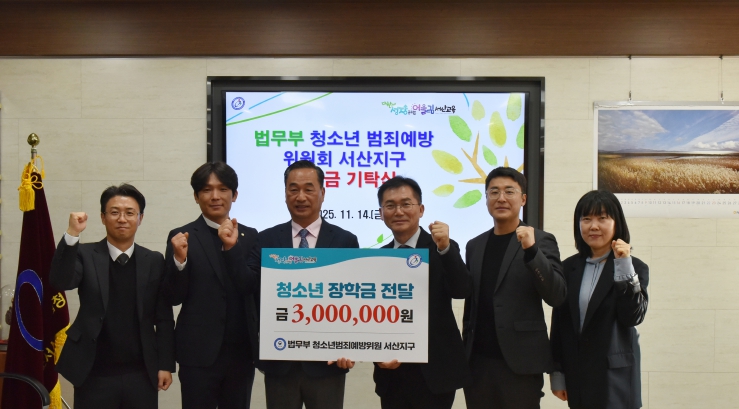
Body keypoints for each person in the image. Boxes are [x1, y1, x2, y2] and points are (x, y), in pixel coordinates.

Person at [49, 184, 174, 409]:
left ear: (140, 218)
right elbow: (60, 281)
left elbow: (163, 317)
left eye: (130, 213)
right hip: (93, 371)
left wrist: (165, 364)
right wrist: (72, 234)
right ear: (103, 217)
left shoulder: (154, 260)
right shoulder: (85, 254)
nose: (122, 219)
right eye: (114, 212)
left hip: (141, 372)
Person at [257, 160, 358, 409]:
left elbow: (353, 299)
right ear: (285, 194)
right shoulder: (266, 240)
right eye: (293, 189)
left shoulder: (345, 241)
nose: (300, 197)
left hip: (328, 364)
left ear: (322, 192)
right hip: (279, 362)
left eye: (309, 189)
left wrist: (351, 346)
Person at [462, 167, 566, 409]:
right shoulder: (474, 245)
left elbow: (557, 295)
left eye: (509, 191)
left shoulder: (541, 240)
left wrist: (532, 251)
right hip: (478, 365)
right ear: (486, 198)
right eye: (494, 192)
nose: (501, 198)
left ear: (523, 199)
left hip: (521, 365)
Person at [163, 162, 260, 409]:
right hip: (197, 353)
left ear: (234, 195)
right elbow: (173, 297)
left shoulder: (251, 236)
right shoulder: (181, 236)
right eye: (206, 190)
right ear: (196, 197)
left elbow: (249, 286)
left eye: (223, 189)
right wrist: (179, 261)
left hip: (241, 353)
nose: (215, 196)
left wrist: (231, 248)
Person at [373, 176, 471, 409]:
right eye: (390, 205)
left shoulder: (442, 247)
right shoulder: (377, 258)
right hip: (392, 373)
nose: (398, 211)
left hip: (435, 373)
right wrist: (377, 355)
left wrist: (445, 248)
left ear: (421, 209)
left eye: (406, 204)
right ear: (381, 213)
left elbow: (462, 290)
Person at [549, 189, 649, 409]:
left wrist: (624, 265)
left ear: (616, 223)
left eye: (602, 218)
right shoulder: (567, 268)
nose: (593, 226)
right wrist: (557, 374)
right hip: (578, 377)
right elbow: (560, 325)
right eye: (586, 219)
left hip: (616, 380)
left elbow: (632, 316)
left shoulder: (635, 267)